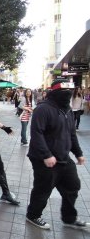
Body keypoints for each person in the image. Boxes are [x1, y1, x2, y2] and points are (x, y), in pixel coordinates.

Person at [26, 79, 88, 230]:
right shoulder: (43, 109)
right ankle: (33, 215)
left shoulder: (68, 111)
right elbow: (36, 134)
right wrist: (46, 155)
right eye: (63, 92)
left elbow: (71, 135)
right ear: (54, 92)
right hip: (43, 159)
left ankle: (69, 218)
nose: (67, 95)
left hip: (64, 158)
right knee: (43, 190)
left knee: (73, 186)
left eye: (69, 91)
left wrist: (78, 153)